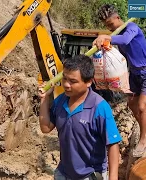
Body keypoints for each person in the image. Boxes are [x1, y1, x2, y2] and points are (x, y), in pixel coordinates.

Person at [39, 55, 122, 180]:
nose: (66, 85)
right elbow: (45, 128)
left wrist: (113, 177)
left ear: (88, 82)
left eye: (73, 81)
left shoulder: (99, 108)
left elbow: (112, 144)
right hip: (64, 173)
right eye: (64, 79)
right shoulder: (60, 101)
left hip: (90, 175)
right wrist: (44, 100)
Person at [93, 4, 146, 157]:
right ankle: (144, 129)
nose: (109, 28)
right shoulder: (117, 34)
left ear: (118, 18)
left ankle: (143, 141)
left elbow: (125, 40)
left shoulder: (132, 27)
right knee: (131, 104)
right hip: (134, 74)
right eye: (106, 26)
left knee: (142, 106)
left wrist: (106, 37)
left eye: (110, 24)